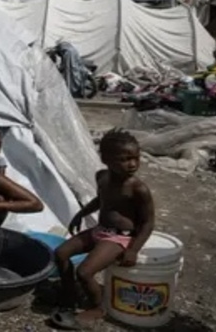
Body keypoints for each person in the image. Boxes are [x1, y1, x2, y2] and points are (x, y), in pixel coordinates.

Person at [50, 129, 155, 330]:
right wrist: (80, 214)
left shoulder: (137, 188)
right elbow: (101, 200)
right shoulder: (102, 177)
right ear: (106, 159)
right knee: (61, 253)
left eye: (136, 158)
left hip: (120, 238)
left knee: (84, 272)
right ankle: (69, 294)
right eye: (125, 159)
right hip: (101, 230)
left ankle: (98, 308)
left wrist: (133, 249)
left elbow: (148, 222)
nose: (133, 164)